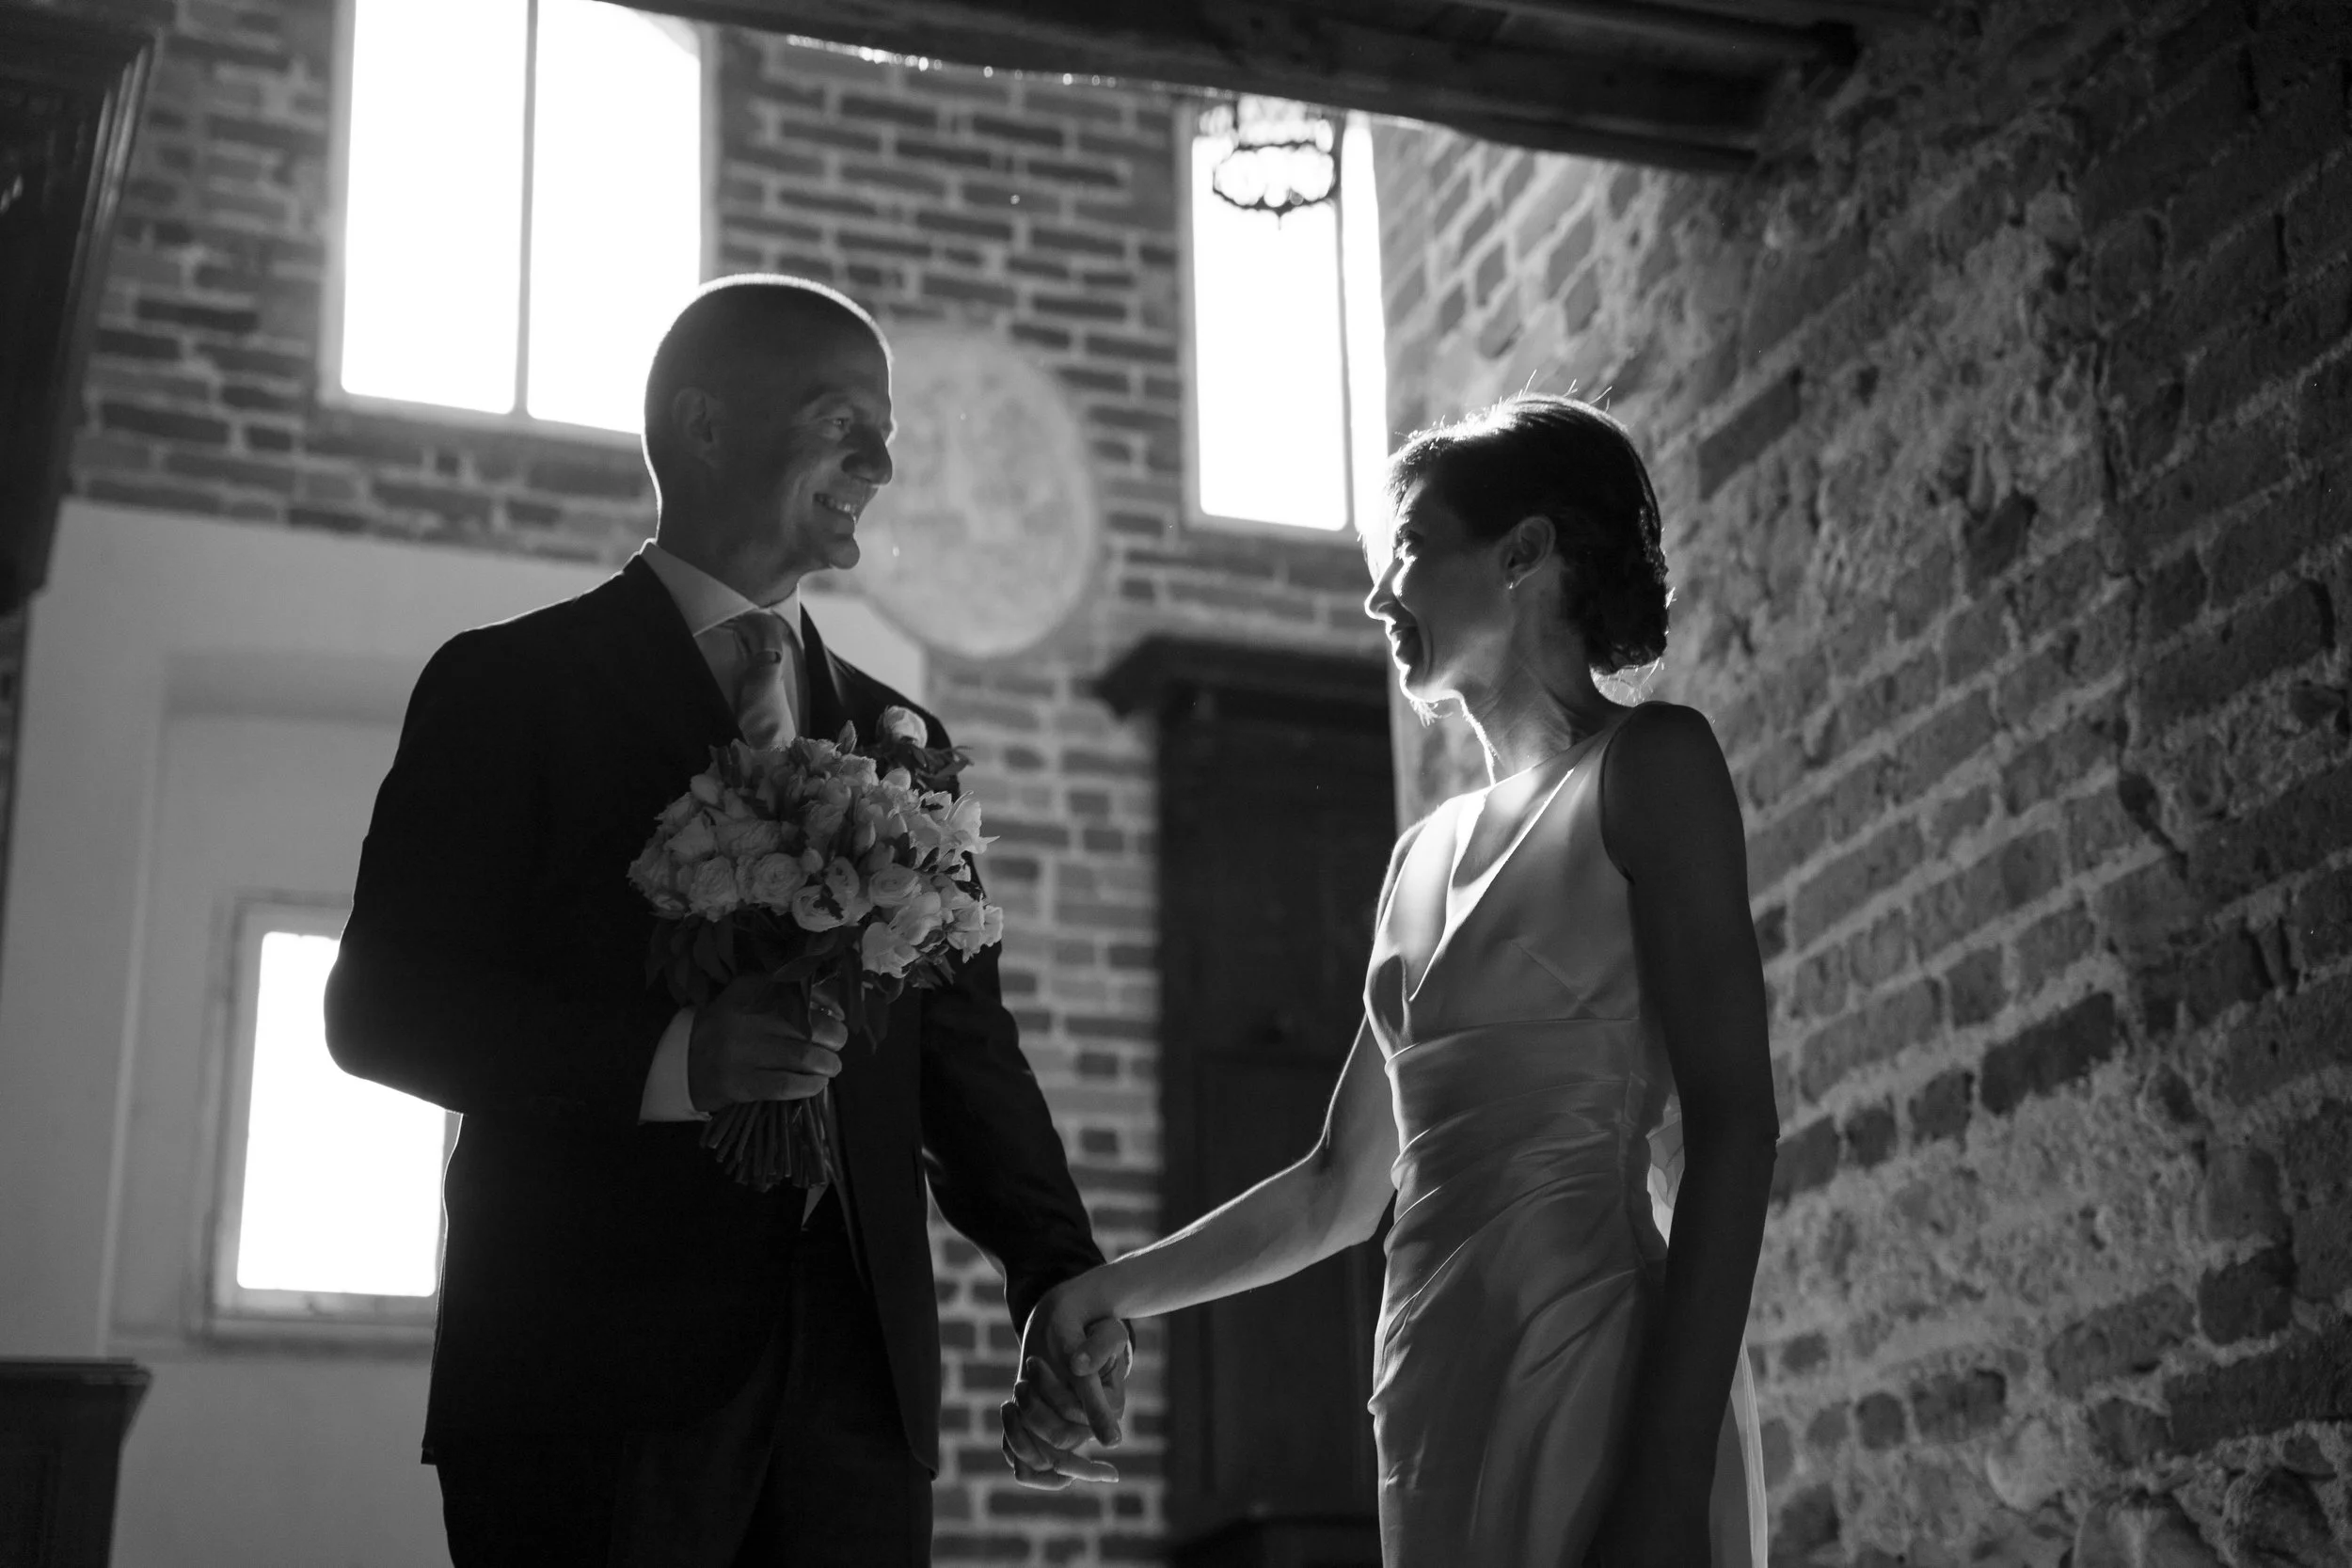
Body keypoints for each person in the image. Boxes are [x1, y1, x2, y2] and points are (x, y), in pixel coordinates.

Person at [325, 275, 1127, 1566]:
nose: (879, 465)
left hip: (856, 1397)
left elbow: (963, 1050)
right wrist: (674, 1060)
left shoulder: (899, 734)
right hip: (583, 1379)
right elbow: (384, 1008)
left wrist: (1057, 1271)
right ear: (703, 424)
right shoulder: (510, 686)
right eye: (841, 422)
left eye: (887, 434)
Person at [1005, 394, 1778, 1565]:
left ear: (1524, 552)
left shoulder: (1652, 764)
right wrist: (1096, 1294)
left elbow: (1734, 1124)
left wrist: (1667, 1480)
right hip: (1430, 1382)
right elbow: (1336, 1189)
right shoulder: (1420, 853)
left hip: (1593, 1363)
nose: (1376, 596)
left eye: (1408, 548)